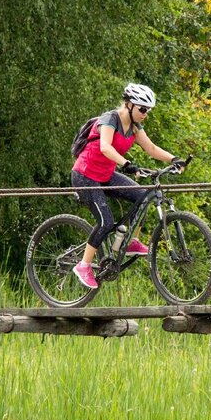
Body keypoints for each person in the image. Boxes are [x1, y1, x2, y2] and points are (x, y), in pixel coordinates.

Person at [70, 82, 184, 289]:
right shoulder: (109, 120)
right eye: (142, 109)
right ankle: (83, 265)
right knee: (106, 221)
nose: (145, 113)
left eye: (147, 110)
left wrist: (174, 159)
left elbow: (150, 148)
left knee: (142, 196)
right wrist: (128, 165)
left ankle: (131, 241)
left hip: (105, 174)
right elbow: (105, 147)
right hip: (85, 175)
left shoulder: (134, 127)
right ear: (129, 105)